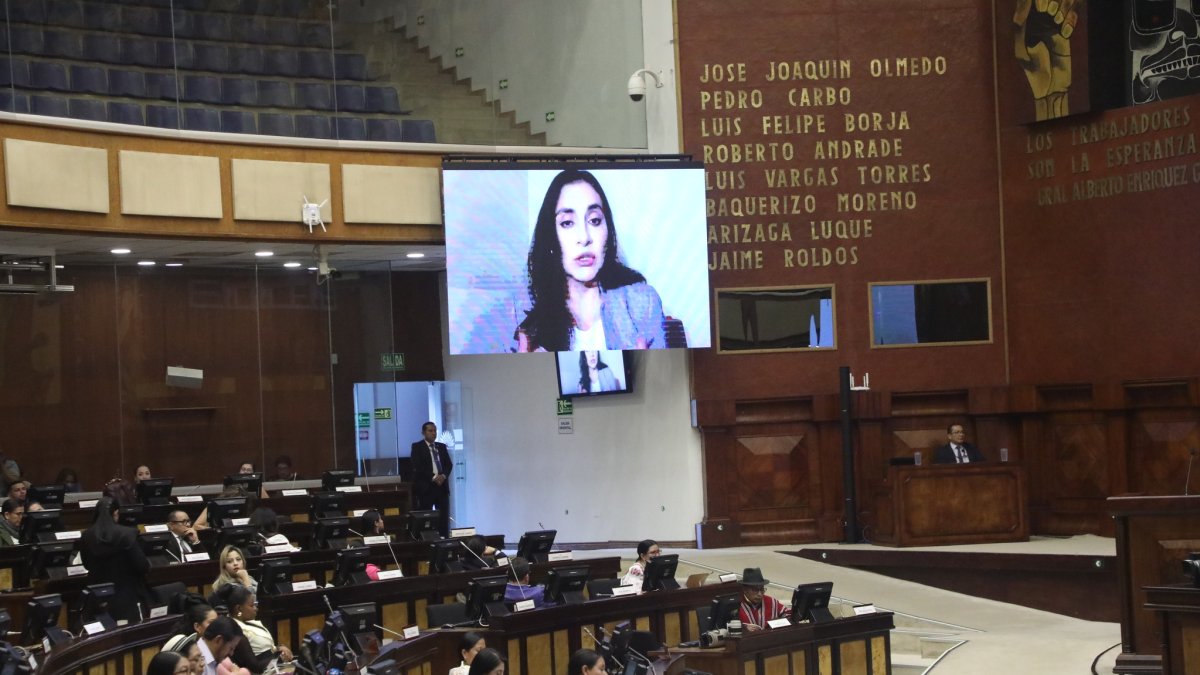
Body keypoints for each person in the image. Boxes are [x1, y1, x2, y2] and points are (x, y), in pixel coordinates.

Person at [515, 169, 666, 352]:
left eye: (594, 220)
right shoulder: (522, 313)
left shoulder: (642, 304)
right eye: (567, 223)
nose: (584, 237)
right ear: (550, 236)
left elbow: (662, 377)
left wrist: (640, 366)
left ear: (607, 230)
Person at [79, 496, 154, 624]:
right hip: (127, 595)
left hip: (98, 597)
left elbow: (86, 565)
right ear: (116, 513)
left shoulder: (86, 535)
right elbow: (142, 566)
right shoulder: (128, 533)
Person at [227, 585, 293, 672]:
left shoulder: (248, 622)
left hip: (273, 667)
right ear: (239, 608)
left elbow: (266, 648)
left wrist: (279, 648)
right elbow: (254, 667)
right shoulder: (236, 631)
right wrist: (280, 657)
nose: (256, 609)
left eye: (255, 604)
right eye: (252, 605)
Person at [410, 421, 452, 536]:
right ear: (423, 432)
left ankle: (444, 538)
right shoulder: (417, 447)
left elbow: (449, 465)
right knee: (426, 516)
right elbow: (418, 466)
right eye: (430, 431)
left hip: (441, 486)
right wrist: (434, 477)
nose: (434, 433)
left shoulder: (441, 446)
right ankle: (426, 540)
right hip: (426, 487)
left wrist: (443, 476)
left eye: (435, 431)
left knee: (443, 516)